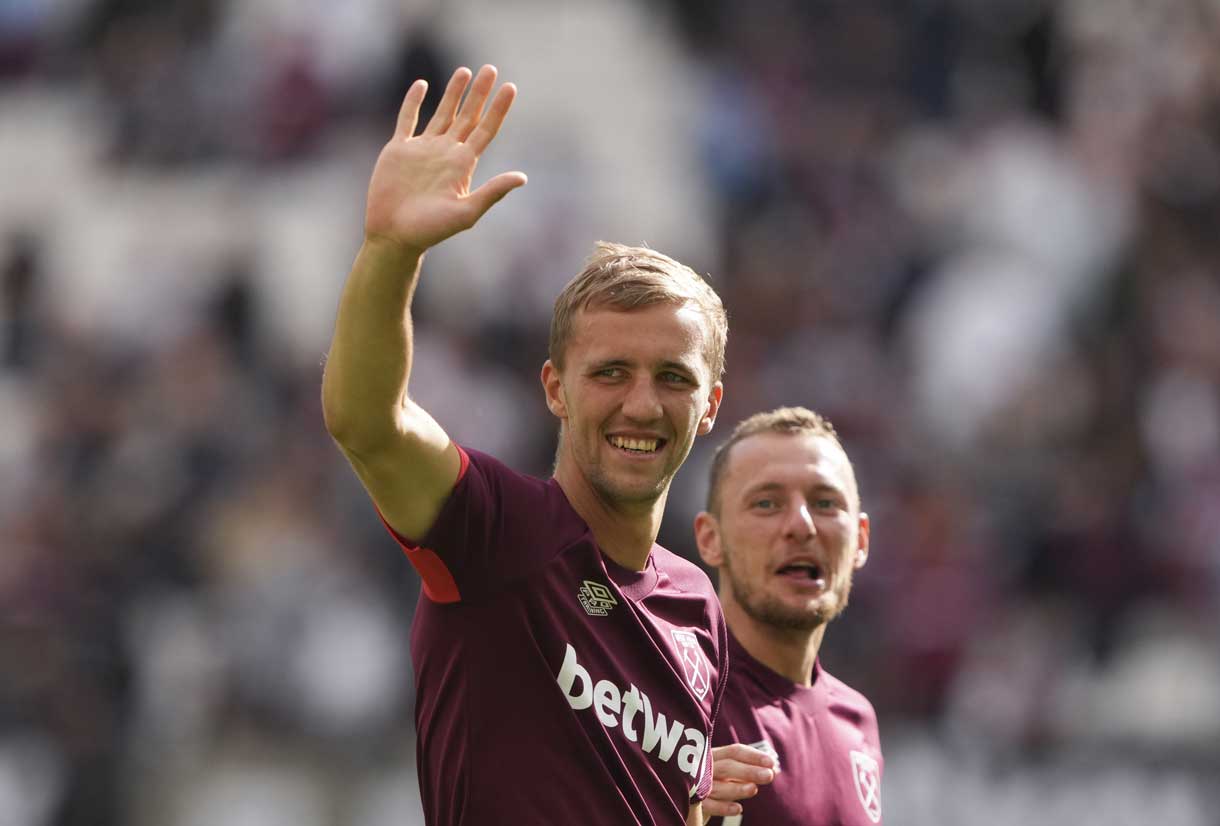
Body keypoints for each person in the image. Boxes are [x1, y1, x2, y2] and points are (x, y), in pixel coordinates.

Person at [322, 64, 731, 826]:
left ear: (708, 405)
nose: (641, 403)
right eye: (610, 372)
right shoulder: (499, 533)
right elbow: (366, 421)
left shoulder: (698, 609)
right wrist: (389, 251)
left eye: (671, 377)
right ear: (554, 389)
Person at [693, 407, 884, 825]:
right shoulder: (670, 695)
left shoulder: (858, 722)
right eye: (767, 503)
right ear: (711, 539)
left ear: (861, 541)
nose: (801, 525)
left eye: (825, 503)